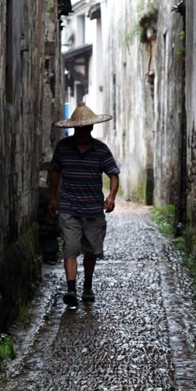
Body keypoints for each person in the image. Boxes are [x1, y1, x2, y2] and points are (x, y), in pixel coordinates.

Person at [48, 104, 120, 309]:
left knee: (90, 251)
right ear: (73, 129)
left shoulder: (100, 150)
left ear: (90, 129)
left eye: (85, 129)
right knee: (70, 248)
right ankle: (71, 289)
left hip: (92, 210)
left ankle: (87, 285)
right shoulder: (63, 148)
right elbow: (55, 171)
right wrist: (54, 197)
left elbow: (113, 174)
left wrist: (112, 197)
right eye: (78, 129)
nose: (81, 132)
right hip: (69, 208)